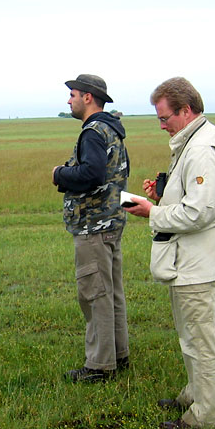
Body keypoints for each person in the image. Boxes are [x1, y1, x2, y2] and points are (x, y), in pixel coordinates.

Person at [125, 77, 215, 429]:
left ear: (186, 111)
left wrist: (151, 213)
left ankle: (204, 417)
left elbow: (201, 211)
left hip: (195, 262)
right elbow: (190, 199)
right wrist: (165, 194)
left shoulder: (201, 148)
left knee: (200, 339)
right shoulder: (194, 140)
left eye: (164, 117)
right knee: (190, 335)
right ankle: (194, 394)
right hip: (186, 260)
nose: (161, 124)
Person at [53, 74, 130, 383]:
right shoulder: (111, 129)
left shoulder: (93, 132)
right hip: (111, 221)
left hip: (93, 225)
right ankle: (118, 355)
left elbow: (93, 174)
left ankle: (99, 366)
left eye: (73, 94)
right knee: (111, 293)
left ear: (88, 97)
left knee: (94, 294)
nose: (69, 100)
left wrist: (60, 173)